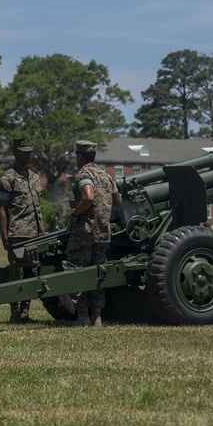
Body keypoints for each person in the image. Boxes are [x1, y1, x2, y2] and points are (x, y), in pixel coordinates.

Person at [67, 140, 122, 327]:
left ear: (80, 156)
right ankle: (97, 316)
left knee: (78, 272)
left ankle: (83, 317)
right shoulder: (106, 176)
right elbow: (119, 201)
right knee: (98, 274)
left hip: (84, 233)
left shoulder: (84, 174)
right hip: (103, 234)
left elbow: (88, 196)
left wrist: (75, 214)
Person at [0, 137, 46, 323]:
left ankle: (25, 312)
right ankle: (14, 313)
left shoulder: (34, 178)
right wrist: (4, 236)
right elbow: (1, 208)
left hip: (36, 234)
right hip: (18, 234)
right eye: (24, 151)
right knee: (16, 275)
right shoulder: (7, 179)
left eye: (30, 151)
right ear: (15, 153)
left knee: (31, 273)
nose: (28, 154)